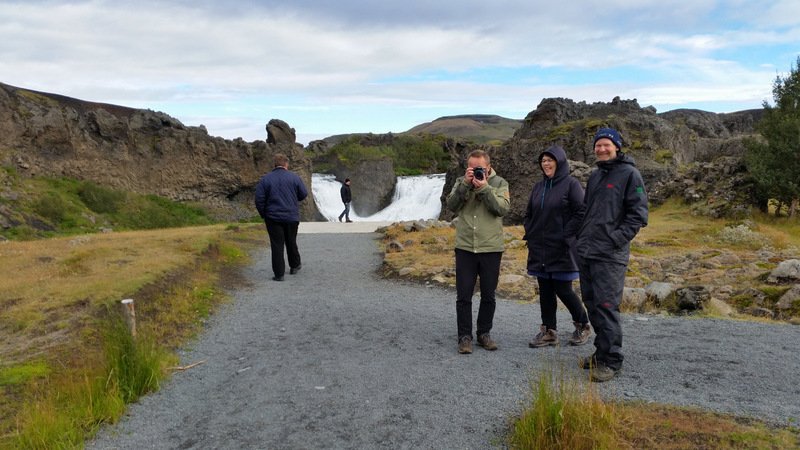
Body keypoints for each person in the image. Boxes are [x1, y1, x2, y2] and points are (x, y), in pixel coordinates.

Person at [575, 128, 648, 382]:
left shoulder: (630, 175)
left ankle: (613, 361)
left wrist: (614, 241)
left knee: (607, 306)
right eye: (598, 145)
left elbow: (638, 216)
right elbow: (587, 211)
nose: (602, 149)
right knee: (593, 305)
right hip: (586, 252)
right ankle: (601, 353)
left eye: (606, 145)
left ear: (617, 147)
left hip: (610, 256)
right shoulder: (595, 176)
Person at [523, 145, 592, 348]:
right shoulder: (538, 187)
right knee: (545, 289)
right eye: (543, 160)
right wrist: (531, 230)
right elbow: (529, 213)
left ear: (560, 162)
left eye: (550, 160)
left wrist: (566, 233)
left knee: (563, 289)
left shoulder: (571, 184)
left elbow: (581, 211)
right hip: (539, 247)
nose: (546, 163)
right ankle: (549, 332)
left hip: (561, 247)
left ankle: (583, 325)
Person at [446, 149, 510, 354]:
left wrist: (484, 188)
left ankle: (484, 334)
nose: (475, 172)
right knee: (464, 295)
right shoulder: (461, 182)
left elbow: (501, 209)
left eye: (479, 168)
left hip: (490, 247)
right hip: (465, 246)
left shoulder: (500, 183)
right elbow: (451, 205)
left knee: (488, 295)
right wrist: (465, 184)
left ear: (488, 167)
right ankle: (464, 337)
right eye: (471, 168)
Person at [254, 153, 309, 281]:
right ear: (286, 164)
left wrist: (264, 214)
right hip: (291, 216)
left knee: (277, 245)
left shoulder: (266, 179)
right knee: (291, 241)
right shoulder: (294, 178)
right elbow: (303, 194)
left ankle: (279, 274)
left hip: (273, 217)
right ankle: (295, 266)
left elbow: (259, 199)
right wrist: (293, 199)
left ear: (274, 164)